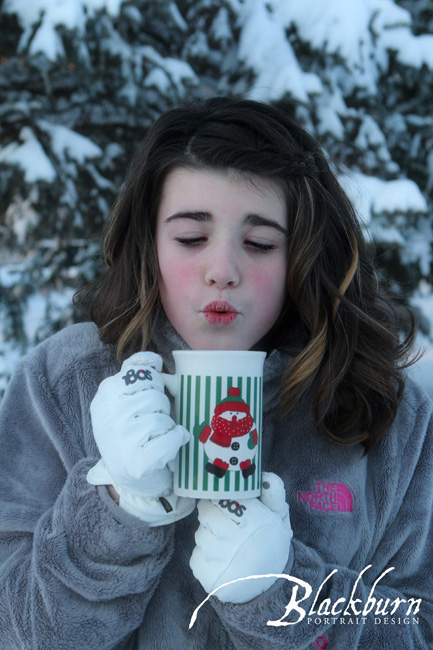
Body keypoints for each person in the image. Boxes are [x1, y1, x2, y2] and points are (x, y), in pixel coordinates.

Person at [0, 96, 432, 650]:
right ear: (150, 245)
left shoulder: (386, 412)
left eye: (258, 243)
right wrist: (115, 515)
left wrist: (285, 594)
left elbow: (416, 631)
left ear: (301, 253)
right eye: (190, 238)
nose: (223, 271)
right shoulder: (62, 384)